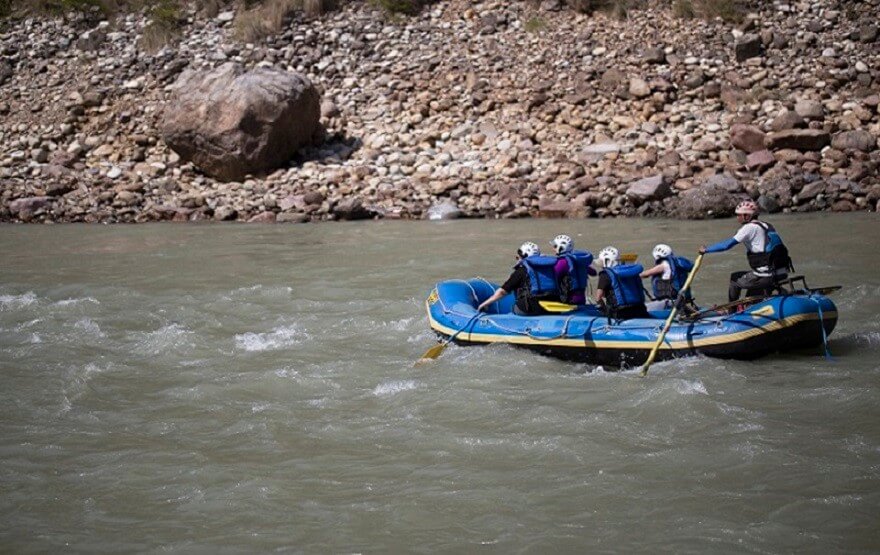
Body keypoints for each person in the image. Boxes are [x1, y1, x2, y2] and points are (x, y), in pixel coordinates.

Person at [699, 200, 794, 302]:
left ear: (747, 216)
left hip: (765, 275)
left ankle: (732, 309)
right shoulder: (767, 226)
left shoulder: (748, 228)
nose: (737, 218)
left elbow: (726, 245)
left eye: (739, 215)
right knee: (750, 298)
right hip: (782, 273)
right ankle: (772, 293)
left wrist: (706, 250)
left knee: (734, 279)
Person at [477, 242, 560, 315]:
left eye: (518, 257)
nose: (517, 260)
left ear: (524, 257)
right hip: (553, 308)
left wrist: (484, 304)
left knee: (514, 308)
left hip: (531, 309)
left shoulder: (521, 271)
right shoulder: (550, 268)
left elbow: (502, 292)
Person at [594, 246, 650, 320]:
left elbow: (598, 297)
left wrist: (604, 310)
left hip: (621, 313)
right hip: (640, 309)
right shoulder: (631, 271)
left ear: (607, 261)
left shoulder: (605, 275)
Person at [640, 243, 695, 310]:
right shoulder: (676, 265)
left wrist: (632, 275)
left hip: (669, 301)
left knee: (644, 309)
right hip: (680, 299)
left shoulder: (664, 265)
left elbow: (645, 274)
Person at [549, 234, 596, 305]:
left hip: (568, 299)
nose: (553, 248)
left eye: (555, 246)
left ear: (560, 248)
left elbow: (552, 277)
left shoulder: (562, 262)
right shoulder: (578, 260)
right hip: (582, 298)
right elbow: (594, 272)